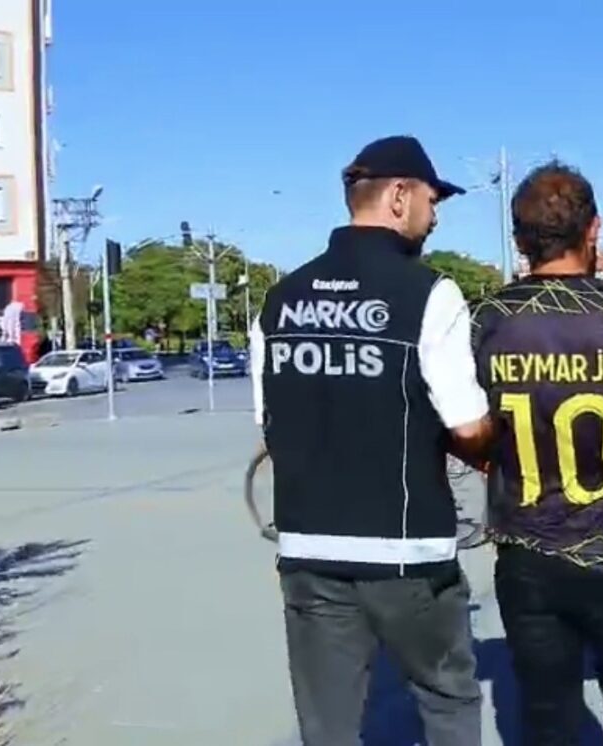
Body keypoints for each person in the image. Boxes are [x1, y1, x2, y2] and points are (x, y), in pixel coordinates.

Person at [249, 135, 493, 746]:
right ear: (400, 196)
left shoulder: (279, 300)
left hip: (309, 550)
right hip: (407, 551)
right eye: (433, 200)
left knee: (328, 725)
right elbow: (468, 426)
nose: (435, 217)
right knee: (447, 698)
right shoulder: (428, 293)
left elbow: (272, 425)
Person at [471, 160, 603, 745]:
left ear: (520, 240)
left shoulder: (486, 320)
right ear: (595, 229)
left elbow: (461, 429)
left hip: (525, 549)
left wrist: (499, 464)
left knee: (547, 715)